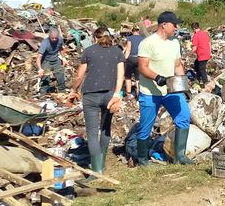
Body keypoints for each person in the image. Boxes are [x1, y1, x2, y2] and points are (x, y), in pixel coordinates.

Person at [134, 11, 192, 165]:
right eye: (174, 24)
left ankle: (180, 156)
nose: (176, 27)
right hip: (150, 92)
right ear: (164, 25)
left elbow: (178, 65)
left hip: (171, 90)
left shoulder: (174, 43)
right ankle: (142, 160)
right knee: (146, 126)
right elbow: (142, 67)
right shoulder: (148, 43)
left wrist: (185, 85)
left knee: (184, 116)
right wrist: (157, 77)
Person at [67, 28, 124, 176]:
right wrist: (117, 94)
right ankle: (102, 163)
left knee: (92, 133)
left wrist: (73, 90)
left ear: (94, 37)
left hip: (90, 95)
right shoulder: (118, 52)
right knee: (105, 128)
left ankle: (97, 169)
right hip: (110, 95)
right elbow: (121, 76)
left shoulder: (89, 51)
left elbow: (79, 75)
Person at [37, 28, 69, 94]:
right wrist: (40, 69)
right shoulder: (45, 43)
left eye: (55, 38)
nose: (54, 39)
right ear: (49, 36)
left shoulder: (60, 39)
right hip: (46, 61)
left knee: (60, 76)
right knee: (45, 78)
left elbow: (61, 48)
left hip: (55, 59)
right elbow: (39, 57)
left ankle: (62, 93)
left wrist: (63, 58)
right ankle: (43, 93)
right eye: (52, 38)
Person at [123, 26, 144, 97]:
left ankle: (128, 94)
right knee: (138, 78)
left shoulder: (130, 38)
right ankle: (138, 93)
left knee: (128, 76)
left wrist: (124, 59)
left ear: (132, 31)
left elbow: (128, 50)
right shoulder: (142, 38)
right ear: (138, 30)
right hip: (139, 58)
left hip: (131, 58)